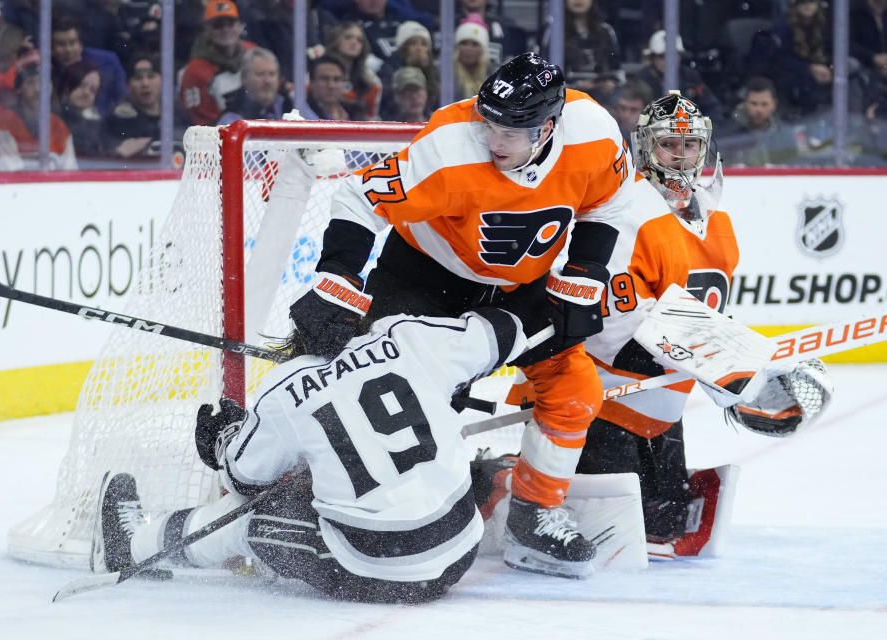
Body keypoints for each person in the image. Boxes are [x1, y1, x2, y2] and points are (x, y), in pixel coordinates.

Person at [287, 52, 635, 578]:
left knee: (575, 390)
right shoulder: (449, 145)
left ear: (548, 127)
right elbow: (360, 196)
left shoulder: (595, 136)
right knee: (390, 405)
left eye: (511, 133)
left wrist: (585, 273)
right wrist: (338, 281)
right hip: (426, 279)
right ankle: (303, 502)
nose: (495, 141)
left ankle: (533, 516)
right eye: (489, 124)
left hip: (522, 287)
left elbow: (607, 204)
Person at [499, 91, 833, 557]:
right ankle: (502, 480)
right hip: (596, 393)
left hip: (658, 401)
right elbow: (611, 327)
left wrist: (738, 371)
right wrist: (720, 369)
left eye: (691, 144)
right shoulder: (626, 209)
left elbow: (706, 313)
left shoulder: (715, 216)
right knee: (618, 530)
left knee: (666, 522)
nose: (681, 154)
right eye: (669, 144)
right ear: (644, 147)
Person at [94, 307, 531, 603]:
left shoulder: (286, 389)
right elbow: (506, 329)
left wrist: (223, 437)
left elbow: (245, 479)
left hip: (381, 572)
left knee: (252, 517)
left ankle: (132, 547)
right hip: (462, 551)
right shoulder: (410, 335)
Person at [179, 0, 254, 126]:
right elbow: (200, 121)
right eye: (218, 25)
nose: (225, 29)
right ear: (207, 28)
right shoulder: (194, 71)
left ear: (239, 25)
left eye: (230, 23)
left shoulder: (253, 52)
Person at [50, 17, 127, 117]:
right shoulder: (47, 70)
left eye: (72, 43)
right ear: (51, 48)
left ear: (81, 44)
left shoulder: (108, 61)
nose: (68, 50)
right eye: (61, 44)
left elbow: (122, 97)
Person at [718, 76, 803, 167]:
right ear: (745, 103)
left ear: (774, 104)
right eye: (754, 103)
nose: (759, 109)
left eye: (764, 104)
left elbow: (792, 169)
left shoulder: (785, 135)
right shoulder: (727, 133)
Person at [104, 54, 167, 160]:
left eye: (151, 76)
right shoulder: (117, 121)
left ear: (162, 80)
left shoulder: (177, 114)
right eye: (138, 78)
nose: (145, 84)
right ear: (128, 85)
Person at [378, 21, 439, 121]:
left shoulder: (435, 73)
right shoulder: (388, 70)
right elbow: (387, 104)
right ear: (402, 48)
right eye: (413, 43)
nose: (419, 48)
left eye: (424, 44)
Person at [322, 21, 383, 121]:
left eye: (359, 40)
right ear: (336, 40)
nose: (354, 43)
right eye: (348, 37)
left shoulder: (371, 80)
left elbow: (371, 116)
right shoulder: (318, 69)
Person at [217, 48, 293, 124]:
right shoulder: (231, 119)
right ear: (244, 78)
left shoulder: (292, 105)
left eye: (272, 74)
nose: (267, 81)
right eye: (260, 74)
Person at [299, 55, 363, 121]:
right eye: (324, 79)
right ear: (312, 82)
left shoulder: (357, 113)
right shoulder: (300, 114)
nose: (331, 85)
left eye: (337, 79)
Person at [452, 16, 496, 102]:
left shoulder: (493, 77)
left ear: (483, 50)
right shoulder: (446, 76)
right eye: (464, 43)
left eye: (475, 44)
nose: (469, 49)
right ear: (457, 48)